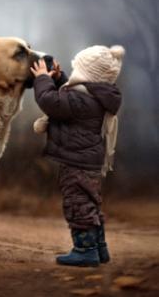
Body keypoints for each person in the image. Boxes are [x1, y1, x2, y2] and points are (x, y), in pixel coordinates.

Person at [30, 45, 124, 267]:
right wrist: (59, 77)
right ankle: (99, 248)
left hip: (76, 162)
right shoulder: (95, 95)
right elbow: (69, 96)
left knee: (78, 203)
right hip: (88, 160)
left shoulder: (80, 100)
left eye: (76, 70)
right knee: (90, 203)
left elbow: (49, 101)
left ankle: (85, 251)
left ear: (87, 74)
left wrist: (42, 79)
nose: (73, 74)